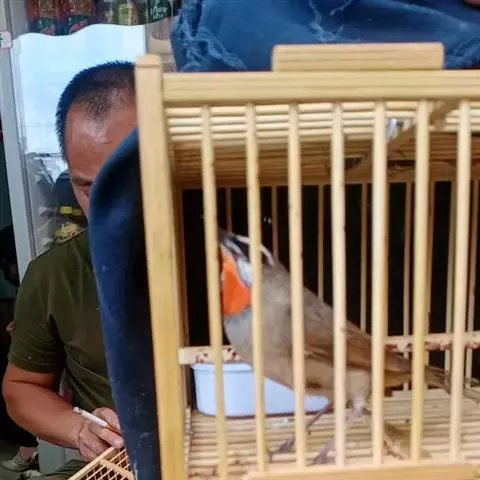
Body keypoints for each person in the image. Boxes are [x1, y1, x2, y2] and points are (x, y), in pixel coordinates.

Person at [2, 61, 137, 480]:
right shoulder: (54, 276)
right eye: (88, 187)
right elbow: (21, 388)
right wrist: (80, 429)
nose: (109, 209)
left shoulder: (238, 258)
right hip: (119, 466)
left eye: (129, 181)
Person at [0, 225, 39, 472]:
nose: (10, 269)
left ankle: (29, 447)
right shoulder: (26, 279)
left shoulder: (38, 272)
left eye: (10, 263)